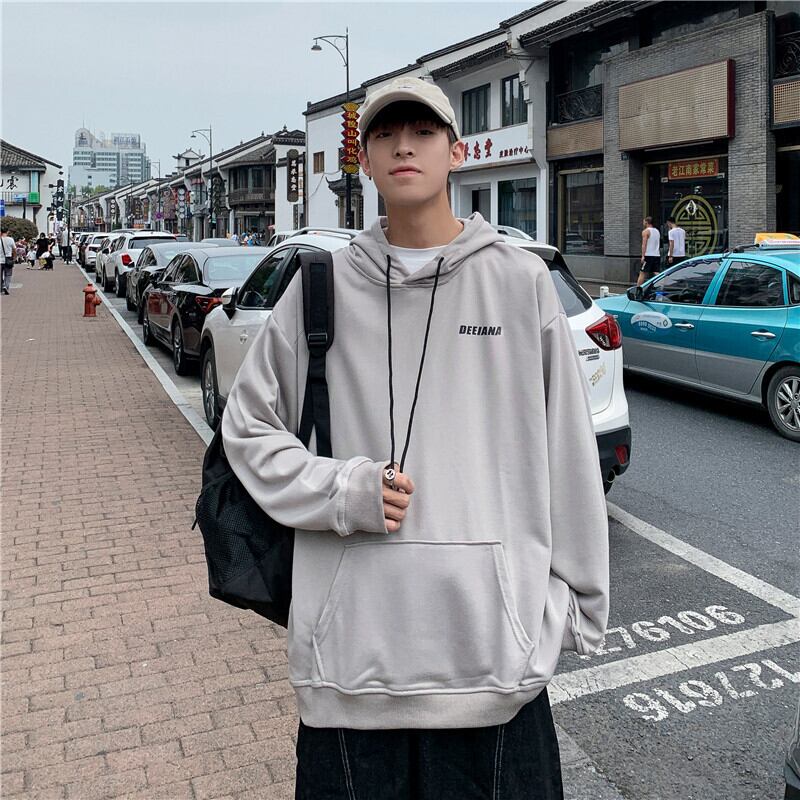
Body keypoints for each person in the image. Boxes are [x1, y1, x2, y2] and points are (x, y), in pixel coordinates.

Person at [222, 76, 609, 800]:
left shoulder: (520, 282)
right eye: (386, 133)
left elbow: (568, 453)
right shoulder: (319, 286)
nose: (405, 145)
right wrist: (342, 490)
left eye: (424, 131)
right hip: (350, 674)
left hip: (494, 676)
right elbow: (247, 428)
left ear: (456, 152)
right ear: (364, 158)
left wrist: (571, 608)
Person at [637, 216, 661, 287]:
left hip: (648, 255)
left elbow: (644, 244)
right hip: (656, 255)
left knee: (642, 273)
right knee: (656, 272)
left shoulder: (646, 231)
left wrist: (643, 256)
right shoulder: (657, 231)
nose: (643, 223)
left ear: (646, 222)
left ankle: (638, 289)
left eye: (644, 221)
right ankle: (661, 287)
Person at [1, 225, 16, 295]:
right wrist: (14, 257)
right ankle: (6, 287)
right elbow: (14, 249)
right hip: (8, 259)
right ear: (7, 232)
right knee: (8, 274)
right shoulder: (10, 239)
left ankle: (2, 286)